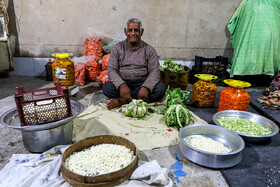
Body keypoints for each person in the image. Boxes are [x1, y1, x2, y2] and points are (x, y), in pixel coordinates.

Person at [102, 18, 166, 109]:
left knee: (161, 88)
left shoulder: (149, 50)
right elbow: (112, 70)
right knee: (107, 87)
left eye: (136, 30)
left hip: (142, 84)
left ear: (141, 32)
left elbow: (155, 71)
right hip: (124, 83)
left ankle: (124, 101)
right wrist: (121, 85)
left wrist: (146, 87)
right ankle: (138, 101)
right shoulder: (117, 48)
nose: (132, 33)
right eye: (130, 30)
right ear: (125, 31)